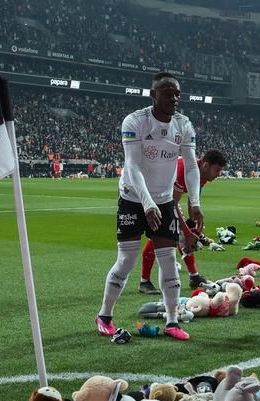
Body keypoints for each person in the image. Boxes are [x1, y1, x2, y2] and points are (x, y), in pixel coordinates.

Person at [96, 72, 202, 342]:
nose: (174, 98)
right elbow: (131, 165)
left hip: (164, 201)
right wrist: (146, 203)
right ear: (153, 94)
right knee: (127, 259)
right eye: (168, 93)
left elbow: (190, 165)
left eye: (177, 93)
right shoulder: (135, 121)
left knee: (168, 260)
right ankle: (105, 315)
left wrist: (195, 202)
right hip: (133, 198)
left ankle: (172, 320)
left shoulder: (183, 124)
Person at [140, 149, 227, 293]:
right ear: (205, 166)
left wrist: (193, 224)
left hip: (165, 195)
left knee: (181, 232)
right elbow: (172, 204)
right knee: (162, 233)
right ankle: (144, 281)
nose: (218, 174)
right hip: (150, 194)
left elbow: (193, 198)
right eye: (217, 170)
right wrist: (187, 231)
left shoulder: (202, 174)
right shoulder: (183, 170)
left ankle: (194, 276)